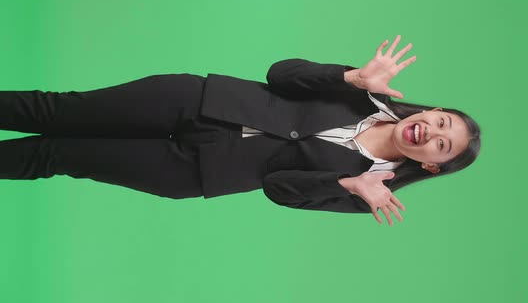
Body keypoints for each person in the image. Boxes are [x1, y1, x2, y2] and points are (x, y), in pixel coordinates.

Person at [0, 35, 480, 226]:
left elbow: (278, 190)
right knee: (57, 110)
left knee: (57, 157)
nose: (431, 132)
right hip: (200, 102)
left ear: (431, 165)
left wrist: (346, 184)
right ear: (431, 110)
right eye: (441, 121)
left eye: (443, 144)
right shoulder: (364, 92)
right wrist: (348, 76)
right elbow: (280, 75)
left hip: (200, 171)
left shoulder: (369, 190)